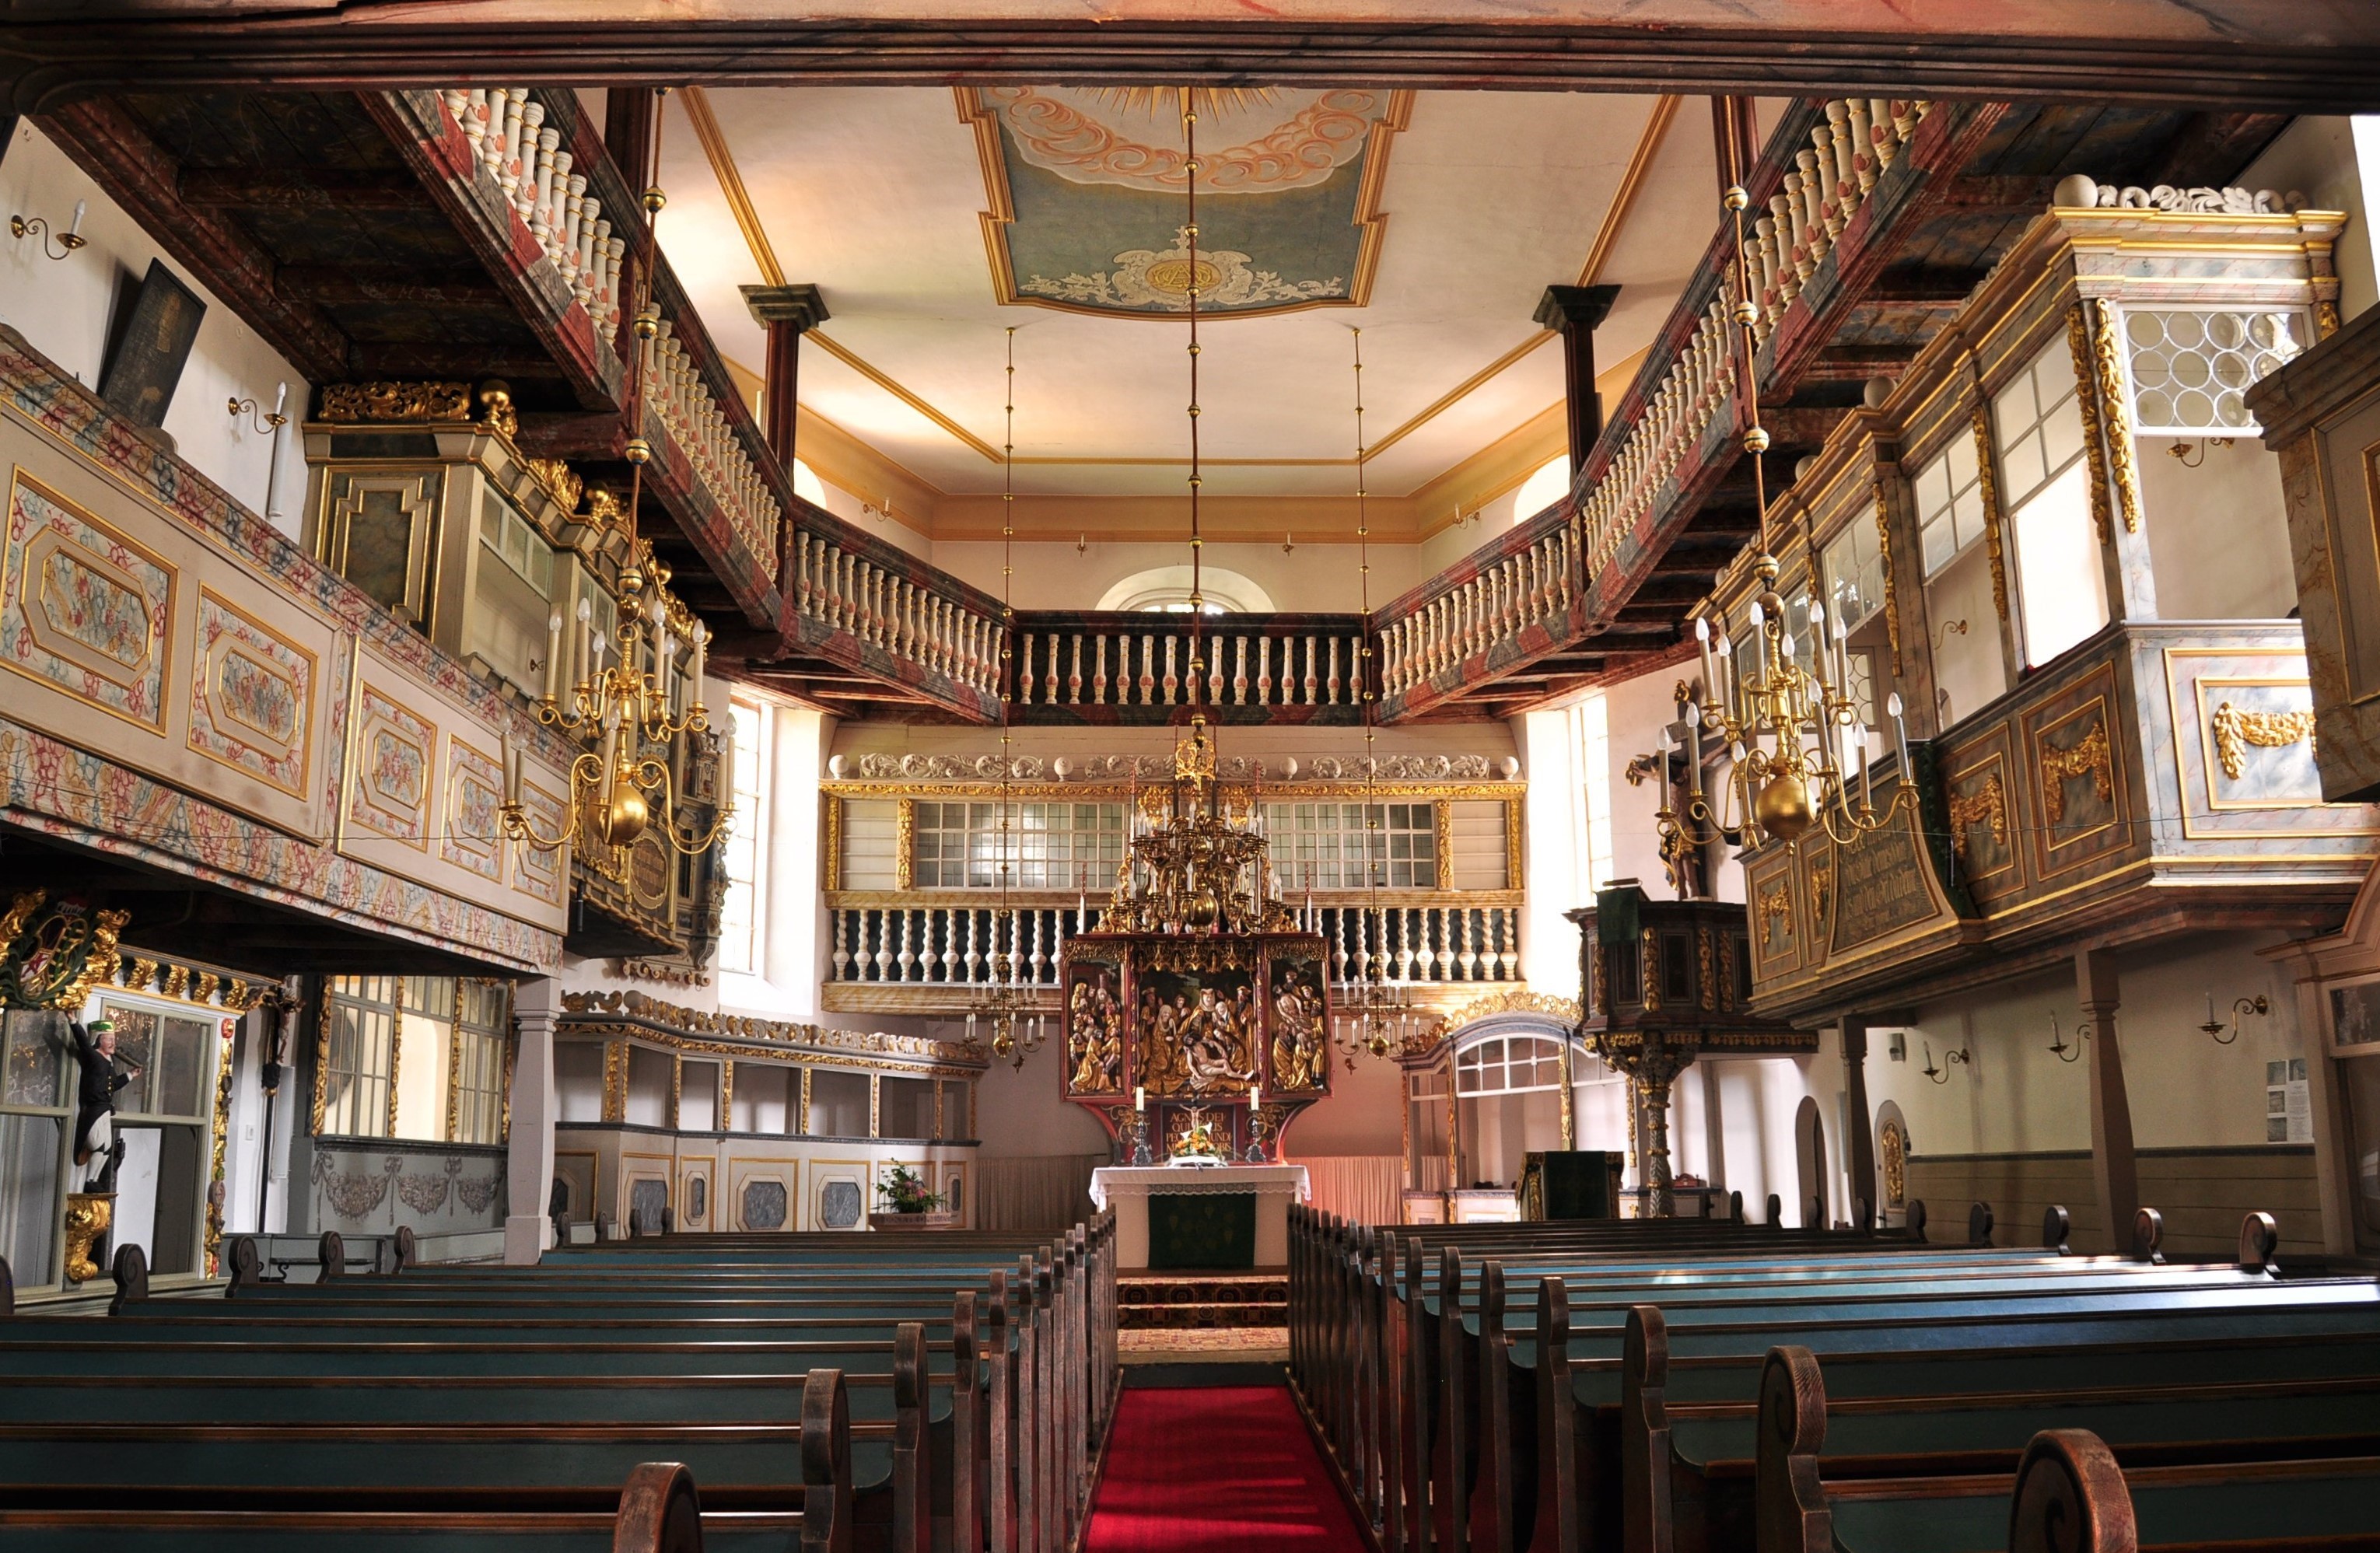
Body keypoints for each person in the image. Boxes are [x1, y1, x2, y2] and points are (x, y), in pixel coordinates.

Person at [68, 1017, 138, 1191]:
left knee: (107, 1147)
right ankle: (89, 1181)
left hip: (105, 1108)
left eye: (114, 1039)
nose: (113, 1042)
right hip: (94, 1107)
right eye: (109, 1039)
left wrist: (130, 1075)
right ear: (99, 1039)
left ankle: (94, 1179)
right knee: (97, 1144)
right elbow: (82, 1042)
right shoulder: (93, 1057)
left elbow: (113, 1085)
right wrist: (73, 1021)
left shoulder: (108, 1063)